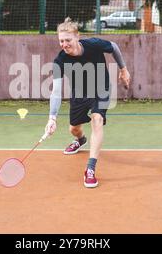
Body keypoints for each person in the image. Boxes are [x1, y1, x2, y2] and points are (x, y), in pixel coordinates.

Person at [44, 17, 131, 188]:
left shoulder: (93, 44)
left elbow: (114, 47)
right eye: (61, 41)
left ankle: (90, 169)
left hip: (101, 88)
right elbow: (56, 91)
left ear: (77, 36)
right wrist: (52, 118)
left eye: (68, 40)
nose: (64, 44)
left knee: (97, 120)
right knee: (73, 128)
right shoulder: (60, 61)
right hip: (80, 94)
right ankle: (80, 140)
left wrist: (123, 69)